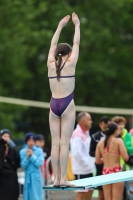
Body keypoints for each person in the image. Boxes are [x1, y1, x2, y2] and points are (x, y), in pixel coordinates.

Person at [47, 12, 80, 186]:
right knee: (64, 143)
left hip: (53, 104)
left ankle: (55, 179)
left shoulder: (50, 65)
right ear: (68, 53)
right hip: (67, 104)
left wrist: (59, 26)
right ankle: (63, 179)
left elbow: (52, 44)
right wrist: (77, 26)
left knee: (55, 143)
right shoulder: (71, 63)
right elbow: (76, 42)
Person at [95, 122, 129, 200]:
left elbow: (97, 161)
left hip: (105, 172)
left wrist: (106, 159)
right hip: (116, 171)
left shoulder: (100, 143)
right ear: (115, 131)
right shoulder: (119, 141)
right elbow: (126, 158)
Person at [70, 112, 95, 200]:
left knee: (90, 191)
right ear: (83, 121)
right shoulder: (76, 134)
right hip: (81, 170)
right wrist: (87, 164)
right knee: (81, 193)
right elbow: (77, 153)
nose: (91, 122)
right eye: (89, 119)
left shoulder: (86, 133)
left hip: (88, 169)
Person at [112, 116, 133, 200]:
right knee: (118, 192)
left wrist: (124, 147)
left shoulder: (128, 135)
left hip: (127, 165)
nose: (120, 126)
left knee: (130, 190)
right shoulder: (112, 137)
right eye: (118, 124)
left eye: (122, 124)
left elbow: (131, 149)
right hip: (116, 167)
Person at [89, 116, 111, 200]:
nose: (105, 129)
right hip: (100, 167)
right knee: (101, 193)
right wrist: (101, 156)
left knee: (111, 194)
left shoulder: (115, 136)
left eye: (107, 127)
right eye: (104, 127)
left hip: (112, 167)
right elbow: (91, 152)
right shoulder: (95, 137)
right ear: (100, 125)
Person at [20, 132, 44, 200]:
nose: (31, 142)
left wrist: (32, 155)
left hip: (36, 176)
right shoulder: (22, 152)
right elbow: (23, 165)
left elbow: (39, 163)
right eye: (29, 141)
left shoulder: (39, 150)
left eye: (33, 141)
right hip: (27, 176)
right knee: (27, 196)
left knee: (36, 195)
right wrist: (27, 157)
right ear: (26, 141)